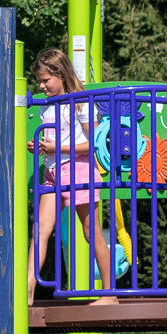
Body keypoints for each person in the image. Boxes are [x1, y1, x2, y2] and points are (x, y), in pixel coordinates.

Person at [28, 47, 115, 304]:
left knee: (91, 232)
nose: (42, 86)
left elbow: (95, 143)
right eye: (39, 81)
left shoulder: (81, 103)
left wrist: (58, 147)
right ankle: (28, 289)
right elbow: (54, 140)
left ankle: (110, 294)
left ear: (61, 74)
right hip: (53, 171)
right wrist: (40, 145)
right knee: (40, 229)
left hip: (79, 170)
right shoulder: (49, 107)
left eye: (46, 80)